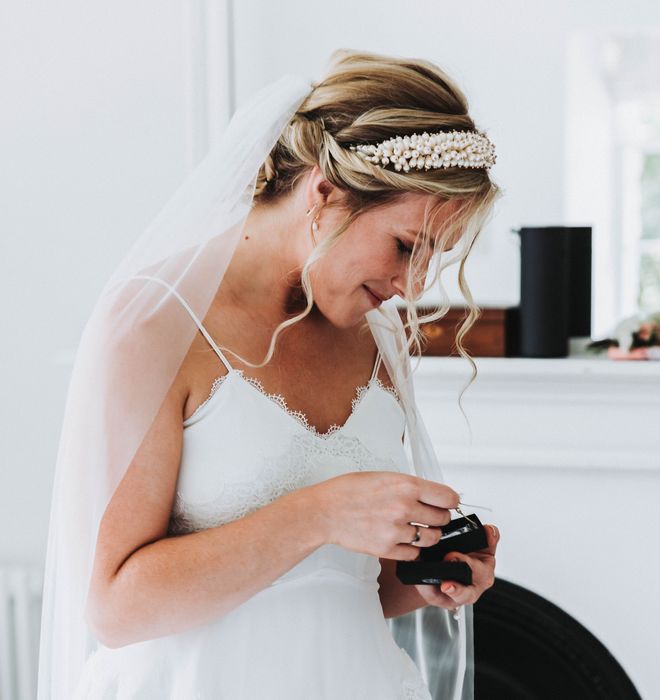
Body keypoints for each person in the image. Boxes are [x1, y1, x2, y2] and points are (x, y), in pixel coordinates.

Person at [37, 50, 501, 700]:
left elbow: (347, 584)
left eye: (435, 260)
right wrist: (320, 513)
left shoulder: (378, 335)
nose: (412, 287)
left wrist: (428, 575)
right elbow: (116, 607)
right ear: (324, 193)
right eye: (405, 247)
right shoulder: (154, 322)